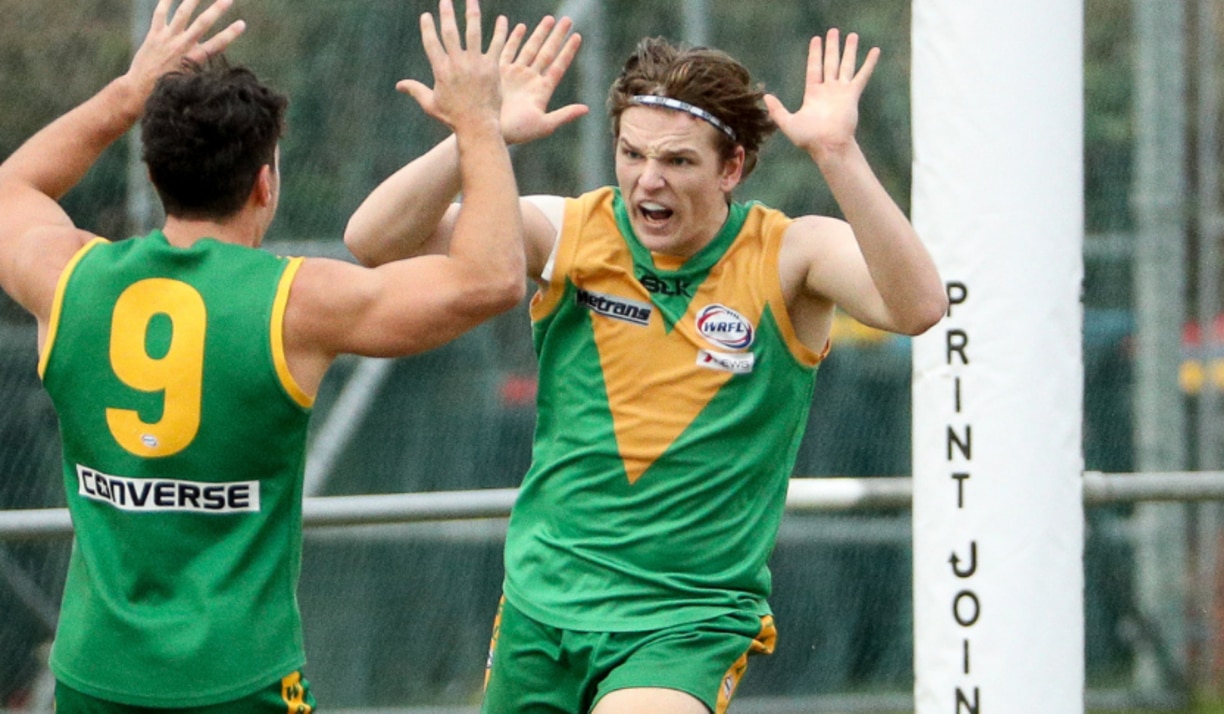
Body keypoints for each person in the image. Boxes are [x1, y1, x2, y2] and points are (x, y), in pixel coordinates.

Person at [345, 24, 948, 714]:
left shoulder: (789, 254)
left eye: (678, 161)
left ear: (733, 168)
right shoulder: (571, 232)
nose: (648, 179)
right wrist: (480, 135)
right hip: (545, 605)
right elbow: (374, 241)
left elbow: (919, 306)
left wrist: (837, 154)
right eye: (631, 154)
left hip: (686, 620)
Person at [0, 0, 526, 710]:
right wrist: (478, 125)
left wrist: (129, 92)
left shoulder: (68, 280)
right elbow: (490, 279)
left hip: (95, 678)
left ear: (155, 176)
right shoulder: (298, 305)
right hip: (239, 680)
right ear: (265, 184)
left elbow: (11, 190)